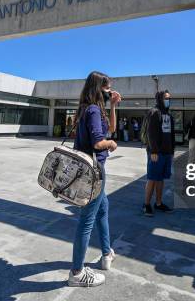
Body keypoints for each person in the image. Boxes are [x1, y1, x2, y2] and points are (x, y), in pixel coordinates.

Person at [68, 71, 122, 287]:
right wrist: (112, 144)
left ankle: (107, 253)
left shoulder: (89, 109)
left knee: (102, 210)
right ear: (99, 88)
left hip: (91, 170)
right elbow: (100, 142)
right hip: (94, 171)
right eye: (108, 89)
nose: (110, 92)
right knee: (87, 220)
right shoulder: (91, 110)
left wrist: (113, 106)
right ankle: (77, 272)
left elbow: (111, 128)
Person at [142, 90, 175, 217]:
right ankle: (146, 204)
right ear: (160, 99)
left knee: (160, 179)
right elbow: (151, 133)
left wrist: (172, 150)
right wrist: (154, 150)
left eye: (169, 98)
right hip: (156, 153)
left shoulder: (169, 115)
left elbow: (171, 134)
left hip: (167, 152)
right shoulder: (154, 112)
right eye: (166, 98)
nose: (168, 100)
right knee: (152, 178)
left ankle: (159, 203)